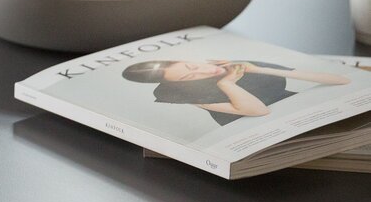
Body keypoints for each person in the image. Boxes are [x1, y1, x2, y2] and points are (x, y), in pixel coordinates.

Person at [122, 59, 350, 126]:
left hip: (302, 114)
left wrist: (260, 68)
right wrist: (227, 84)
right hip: (263, 132)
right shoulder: (191, 96)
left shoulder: (236, 64)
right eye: (190, 77)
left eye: (193, 66)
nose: (202, 71)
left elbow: (340, 79)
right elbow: (260, 111)